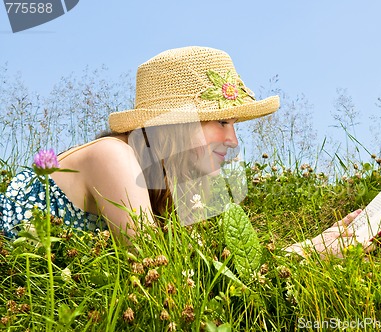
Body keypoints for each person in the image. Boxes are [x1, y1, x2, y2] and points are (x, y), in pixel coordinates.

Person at [0, 46, 361, 257]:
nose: (233, 140)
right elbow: (157, 272)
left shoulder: (166, 182)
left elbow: (208, 271)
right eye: (220, 122)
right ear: (175, 125)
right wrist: (309, 256)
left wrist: (312, 246)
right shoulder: (114, 157)